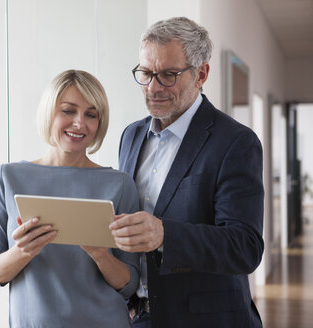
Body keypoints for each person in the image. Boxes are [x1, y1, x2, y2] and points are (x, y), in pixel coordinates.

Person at [109, 17, 264, 328]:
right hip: (138, 318)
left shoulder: (236, 142)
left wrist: (165, 234)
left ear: (201, 74)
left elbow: (245, 247)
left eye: (168, 75)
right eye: (146, 74)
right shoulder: (131, 135)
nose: (153, 87)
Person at [0, 70, 140, 327]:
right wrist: (22, 251)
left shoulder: (119, 185)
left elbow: (129, 283)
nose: (80, 123)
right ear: (49, 112)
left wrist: (102, 255)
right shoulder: (8, 177)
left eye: (91, 114)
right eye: (68, 111)